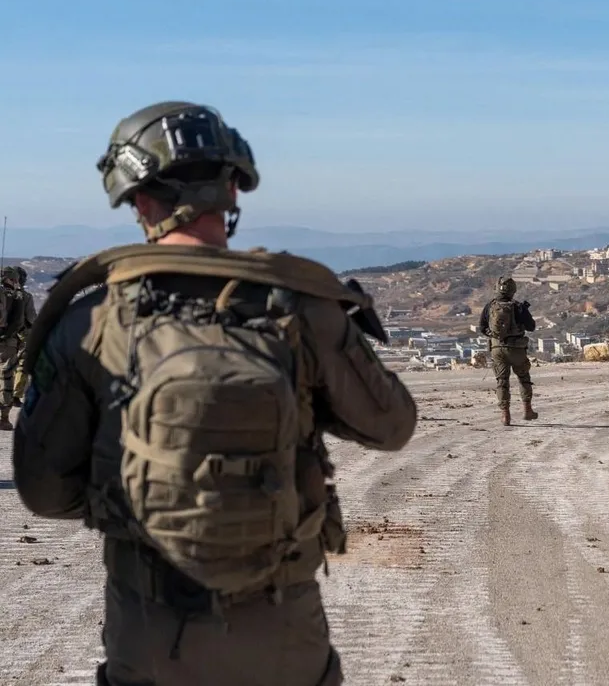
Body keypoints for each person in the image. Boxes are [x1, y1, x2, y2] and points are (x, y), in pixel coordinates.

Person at [12, 100, 418, 686]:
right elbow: (392, 426)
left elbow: (44, 492)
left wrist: (135, 491)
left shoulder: (90, 320)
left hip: (149, 633)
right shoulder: (302, 305)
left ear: (139, 200)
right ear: (233, 193)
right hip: (284, 631)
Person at [479, 276, 537, 426]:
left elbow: (482, 328)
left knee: (502, 381)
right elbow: (531, 326)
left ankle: (505, 415)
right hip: (516, 349)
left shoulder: (490, 307)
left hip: (497, 349)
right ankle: (527, 410)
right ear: (513, 290)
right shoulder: (518, 306)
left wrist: (496, 336)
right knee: (523, 378)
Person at [0, 265, 34, 428]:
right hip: (10, 341)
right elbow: (27, 320)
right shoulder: (21, 296)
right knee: (8, 375)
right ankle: (4, 417)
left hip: (11, 340)